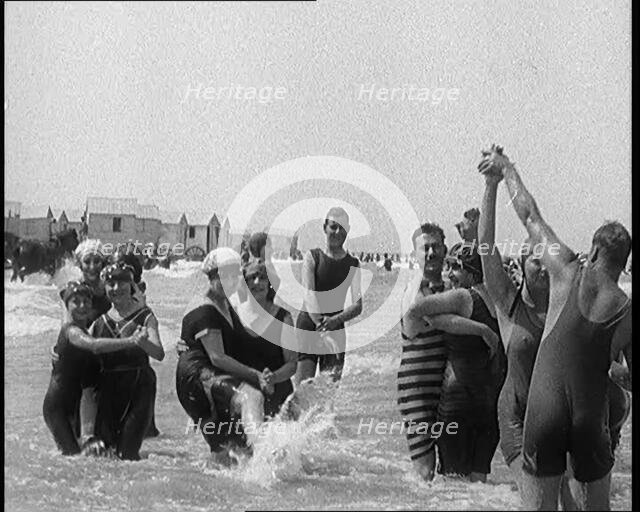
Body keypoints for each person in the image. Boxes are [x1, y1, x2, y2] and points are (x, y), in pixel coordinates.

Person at [479, 145, 632, 510]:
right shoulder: (628, 311)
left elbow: (529, 214)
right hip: (591, 415)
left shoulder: (565, 268)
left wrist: (506, 170)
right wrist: (612, 370)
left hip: (543, 410)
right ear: (624, 265)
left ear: (592, 253)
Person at [398, 224, 502, 482]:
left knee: (449, 467)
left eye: (436, 247)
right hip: (417, 388)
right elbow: (418, 318)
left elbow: (476, 276)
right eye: (425, 248)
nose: (431, 253)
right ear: (415, 254)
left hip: (444, 388)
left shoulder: (448, 289)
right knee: (425, 470)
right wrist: (481, 331)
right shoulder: (414, 291)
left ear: (445, 249)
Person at [176, 248, 273, 463]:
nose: (229, 280)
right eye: (222, 275)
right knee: (251, 396)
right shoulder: (204, 309)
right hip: (198, 378)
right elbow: (218, 357)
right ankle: (265, 452)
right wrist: (255, 375)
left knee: (226, 450)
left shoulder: (227, 304)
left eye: (234, 275)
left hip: (206, 378)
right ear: (211, 276)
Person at [43, 281, 147, 455]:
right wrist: (131, 341)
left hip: (72, 405)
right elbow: (94, 346)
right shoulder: (71, 331)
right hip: (57, 407)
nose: (82, 306)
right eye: (76, 302)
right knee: (73, 457)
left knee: (75, 455)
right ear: (67, 305)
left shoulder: (86, 329)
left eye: (86, 301)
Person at [91, 261, 165, 460]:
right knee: (105, 454)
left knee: (128, 454)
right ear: (103, 287)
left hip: (139, 387)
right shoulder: (99, 321)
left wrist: (142, 343)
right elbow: (85, 350)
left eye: (121, 283)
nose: (116, 288)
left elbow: (159, 353)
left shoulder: (146, 316)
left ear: (131, 284)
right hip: (108, 390)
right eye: (110, 284)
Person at [294, 207, 362, 384]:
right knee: (303, 388)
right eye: (333, 227)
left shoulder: (353, 264)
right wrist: (322, 327)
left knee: (329, 393)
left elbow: (357, 306)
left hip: (336, 326)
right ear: (325, 228)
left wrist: (334, 322)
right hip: (309, 324)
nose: (337, 232)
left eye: (342, 228)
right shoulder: (312, 257)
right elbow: (310, 295)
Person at [236, 261, 297, 417]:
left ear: (270, 283)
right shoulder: (234, 315)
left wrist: (273, 378)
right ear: (244, 282)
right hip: (242, 394)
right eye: (252, 277)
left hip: (278, 393)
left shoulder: (284, 317)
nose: (257, 282)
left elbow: (292, 364)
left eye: (263, 277)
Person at [115, 250, 160, 438]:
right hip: (116, 377)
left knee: (144, 435)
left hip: (138, 376)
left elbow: (157, 351)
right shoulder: (109, 302)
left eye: (125, 272)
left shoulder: (142, 311)